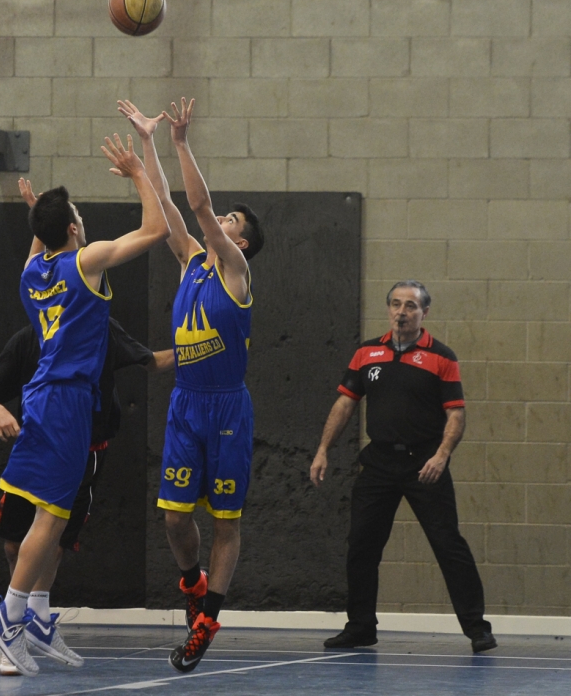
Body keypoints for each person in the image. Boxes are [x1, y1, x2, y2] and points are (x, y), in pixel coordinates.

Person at [0, 131, 170, 678]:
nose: (82, 221)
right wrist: (138, 172)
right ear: (71, 229)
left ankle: (26, 616)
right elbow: (156, 229)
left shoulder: (31, 273)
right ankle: (8, 616)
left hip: (40, 396)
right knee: (52, 517)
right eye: (77, 216)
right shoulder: (86, 262)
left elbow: (39, 244)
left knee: (48, 517)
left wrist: (36, 216)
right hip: (66, 401)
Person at [118, 98, 264, 673]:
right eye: (223, 217)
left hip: (227, 409)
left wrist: (181, 141)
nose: (219, 221)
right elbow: (168, 206)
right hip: (186, 404)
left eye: (231, 222)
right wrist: (148, 142)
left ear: (241, 243)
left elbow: (198, 205)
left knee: (226, 521)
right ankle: (192, 584)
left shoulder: (236, 272)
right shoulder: (192, 261)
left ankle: (208, 620)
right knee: (176, 518)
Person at [0, 310, 174, 675]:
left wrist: (201, 347)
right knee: (16, 544)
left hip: (86, 449)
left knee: (55, 539)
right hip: (38, 444)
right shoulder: (28, 338)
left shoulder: (100, 328)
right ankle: (14, 623)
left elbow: (153, 361)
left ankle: (28, 620)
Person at [310, 280, 497, 654]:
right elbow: (345, 404)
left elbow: (456, 414)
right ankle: (361, 627)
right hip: (379, 463)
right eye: (396, 304)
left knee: (448, 544)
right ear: (388, 309)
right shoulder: (366, 353)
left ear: (424, 313)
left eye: (410, 306)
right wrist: (323, 449)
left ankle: (477, 628)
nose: (401, 312)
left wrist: (441, 456)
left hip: (424, 464)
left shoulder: (441, 357)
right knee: (361, 546)